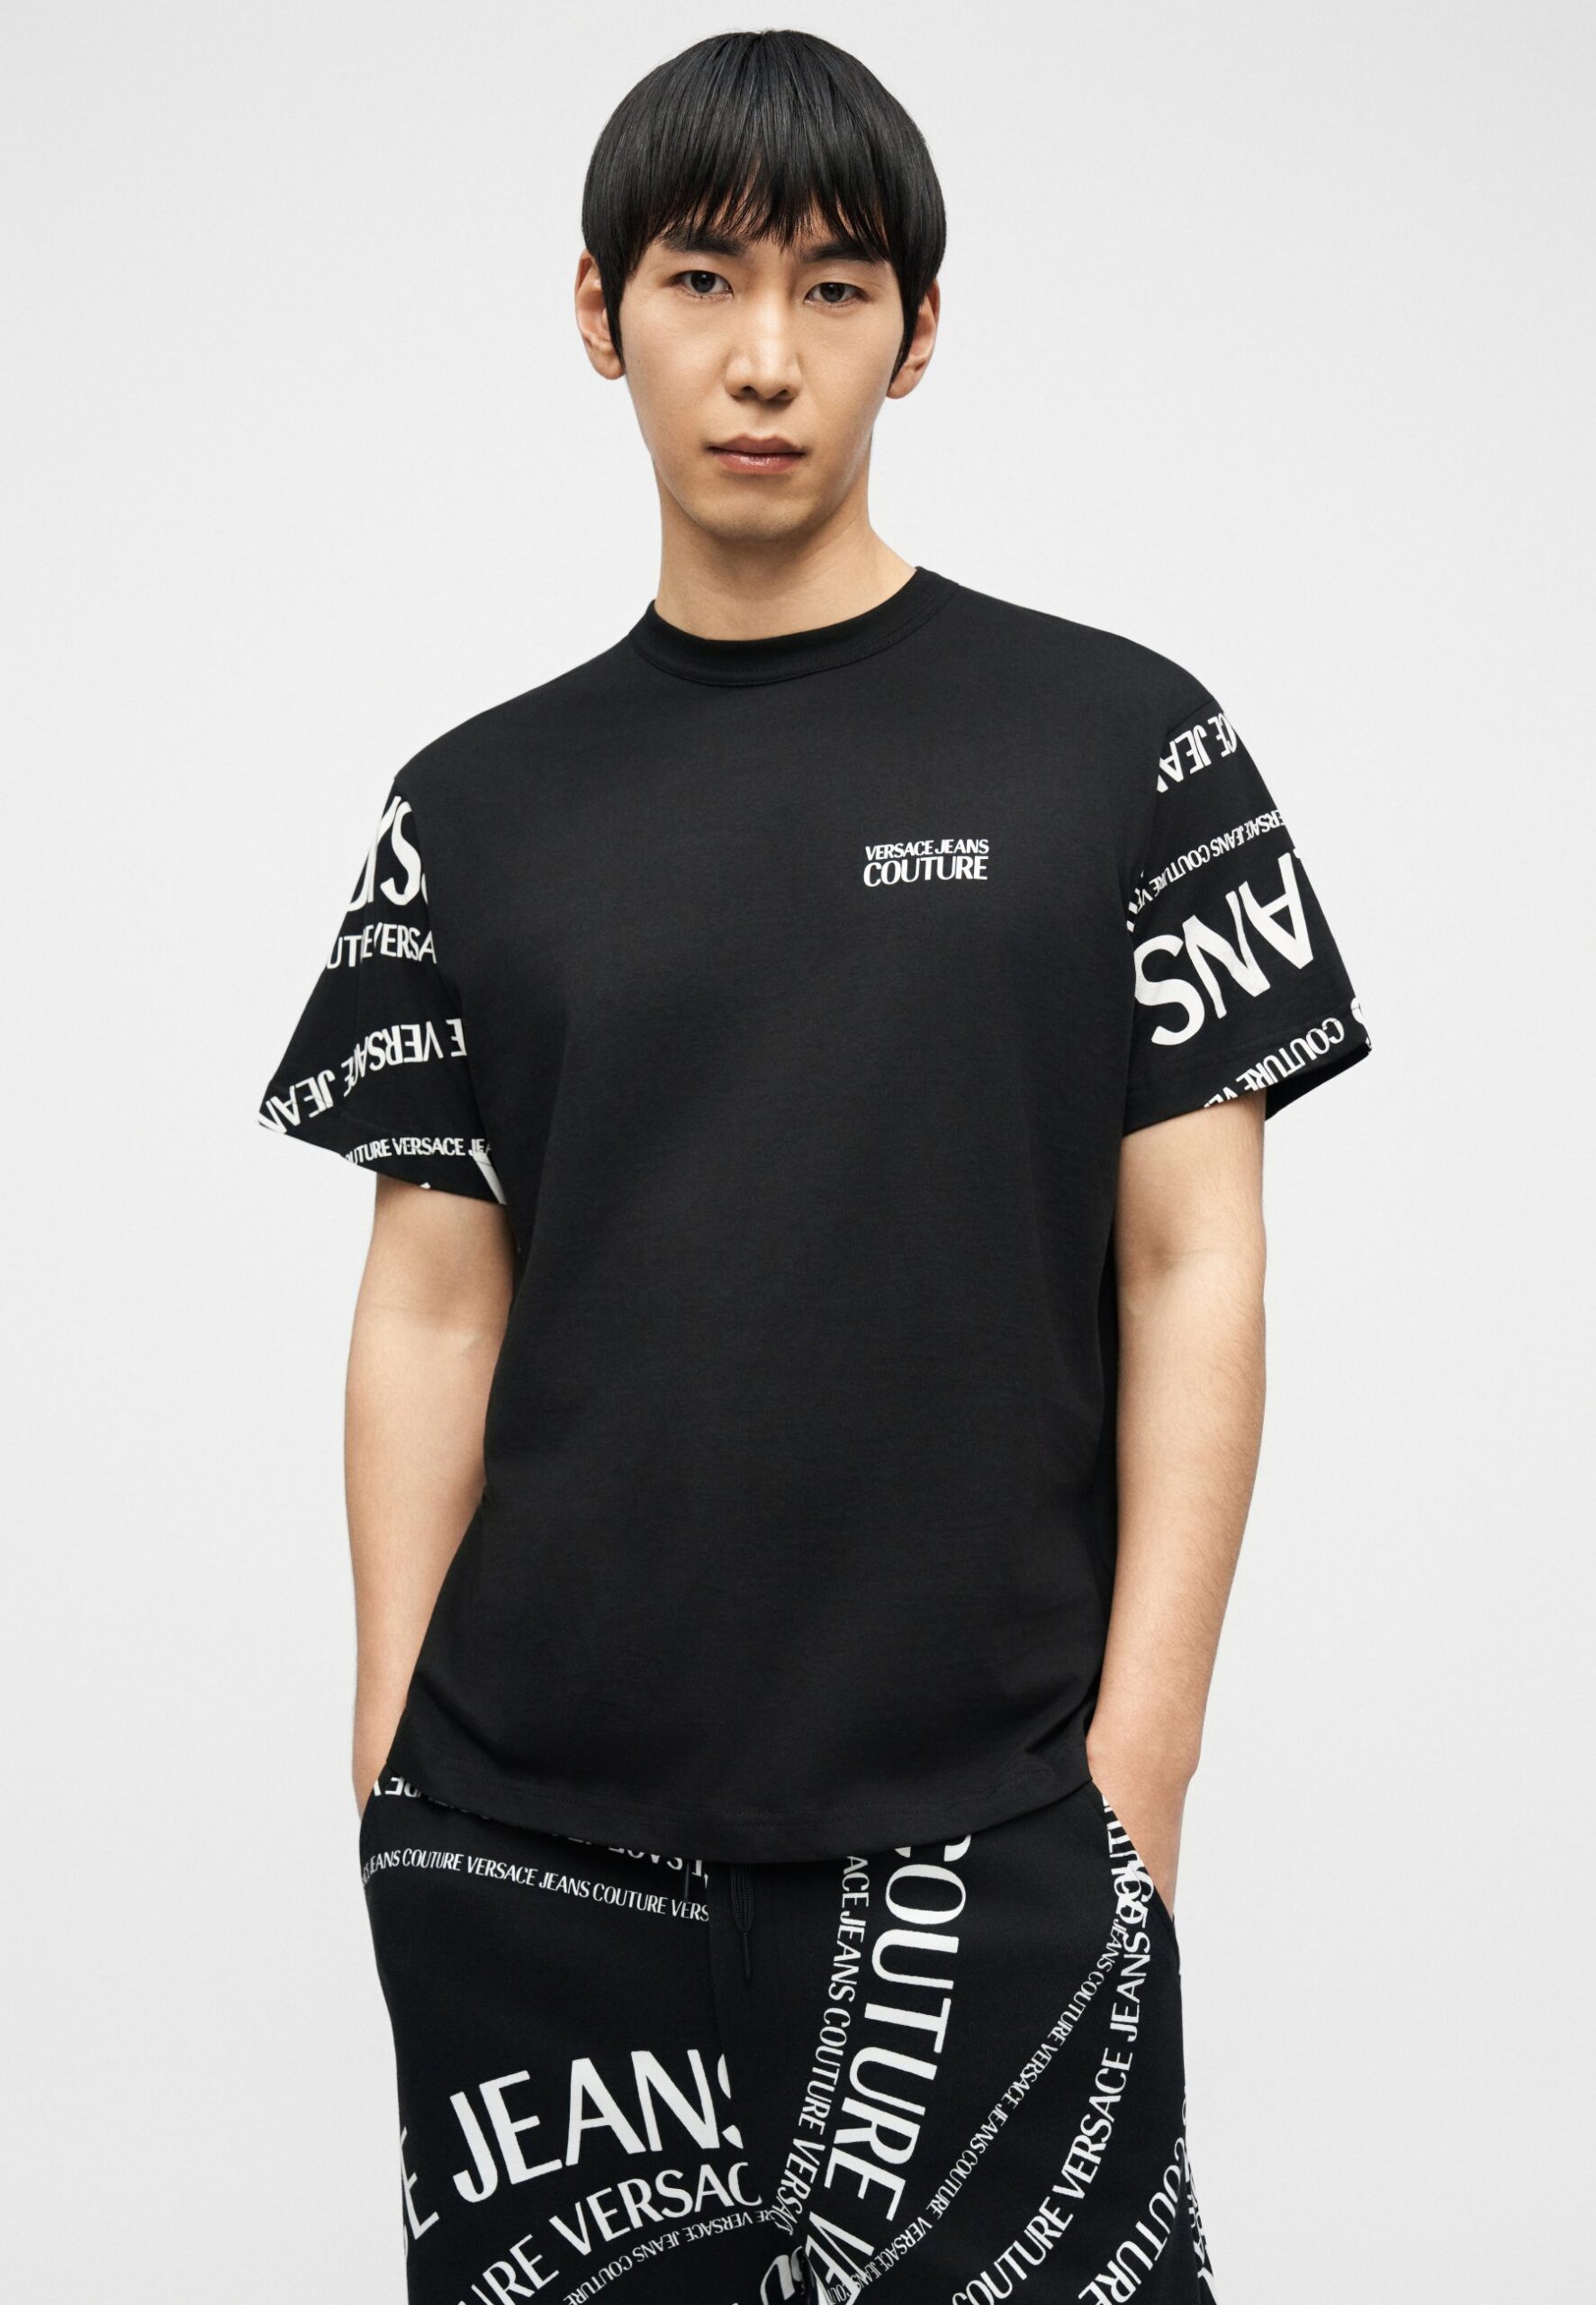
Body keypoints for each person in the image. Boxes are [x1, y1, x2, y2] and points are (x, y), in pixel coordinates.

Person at [258, 29, 1370, 2302]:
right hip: (529, 1851)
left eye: (834, 288)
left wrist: (1137, 1772)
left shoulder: (1122, 749)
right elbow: (434, 1303)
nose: (762, 356)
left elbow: (1193, 1268)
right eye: (700, 279)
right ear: (599, 314)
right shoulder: (470, 808)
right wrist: (391, 1769)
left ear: (917, 331)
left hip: (995, 1835)